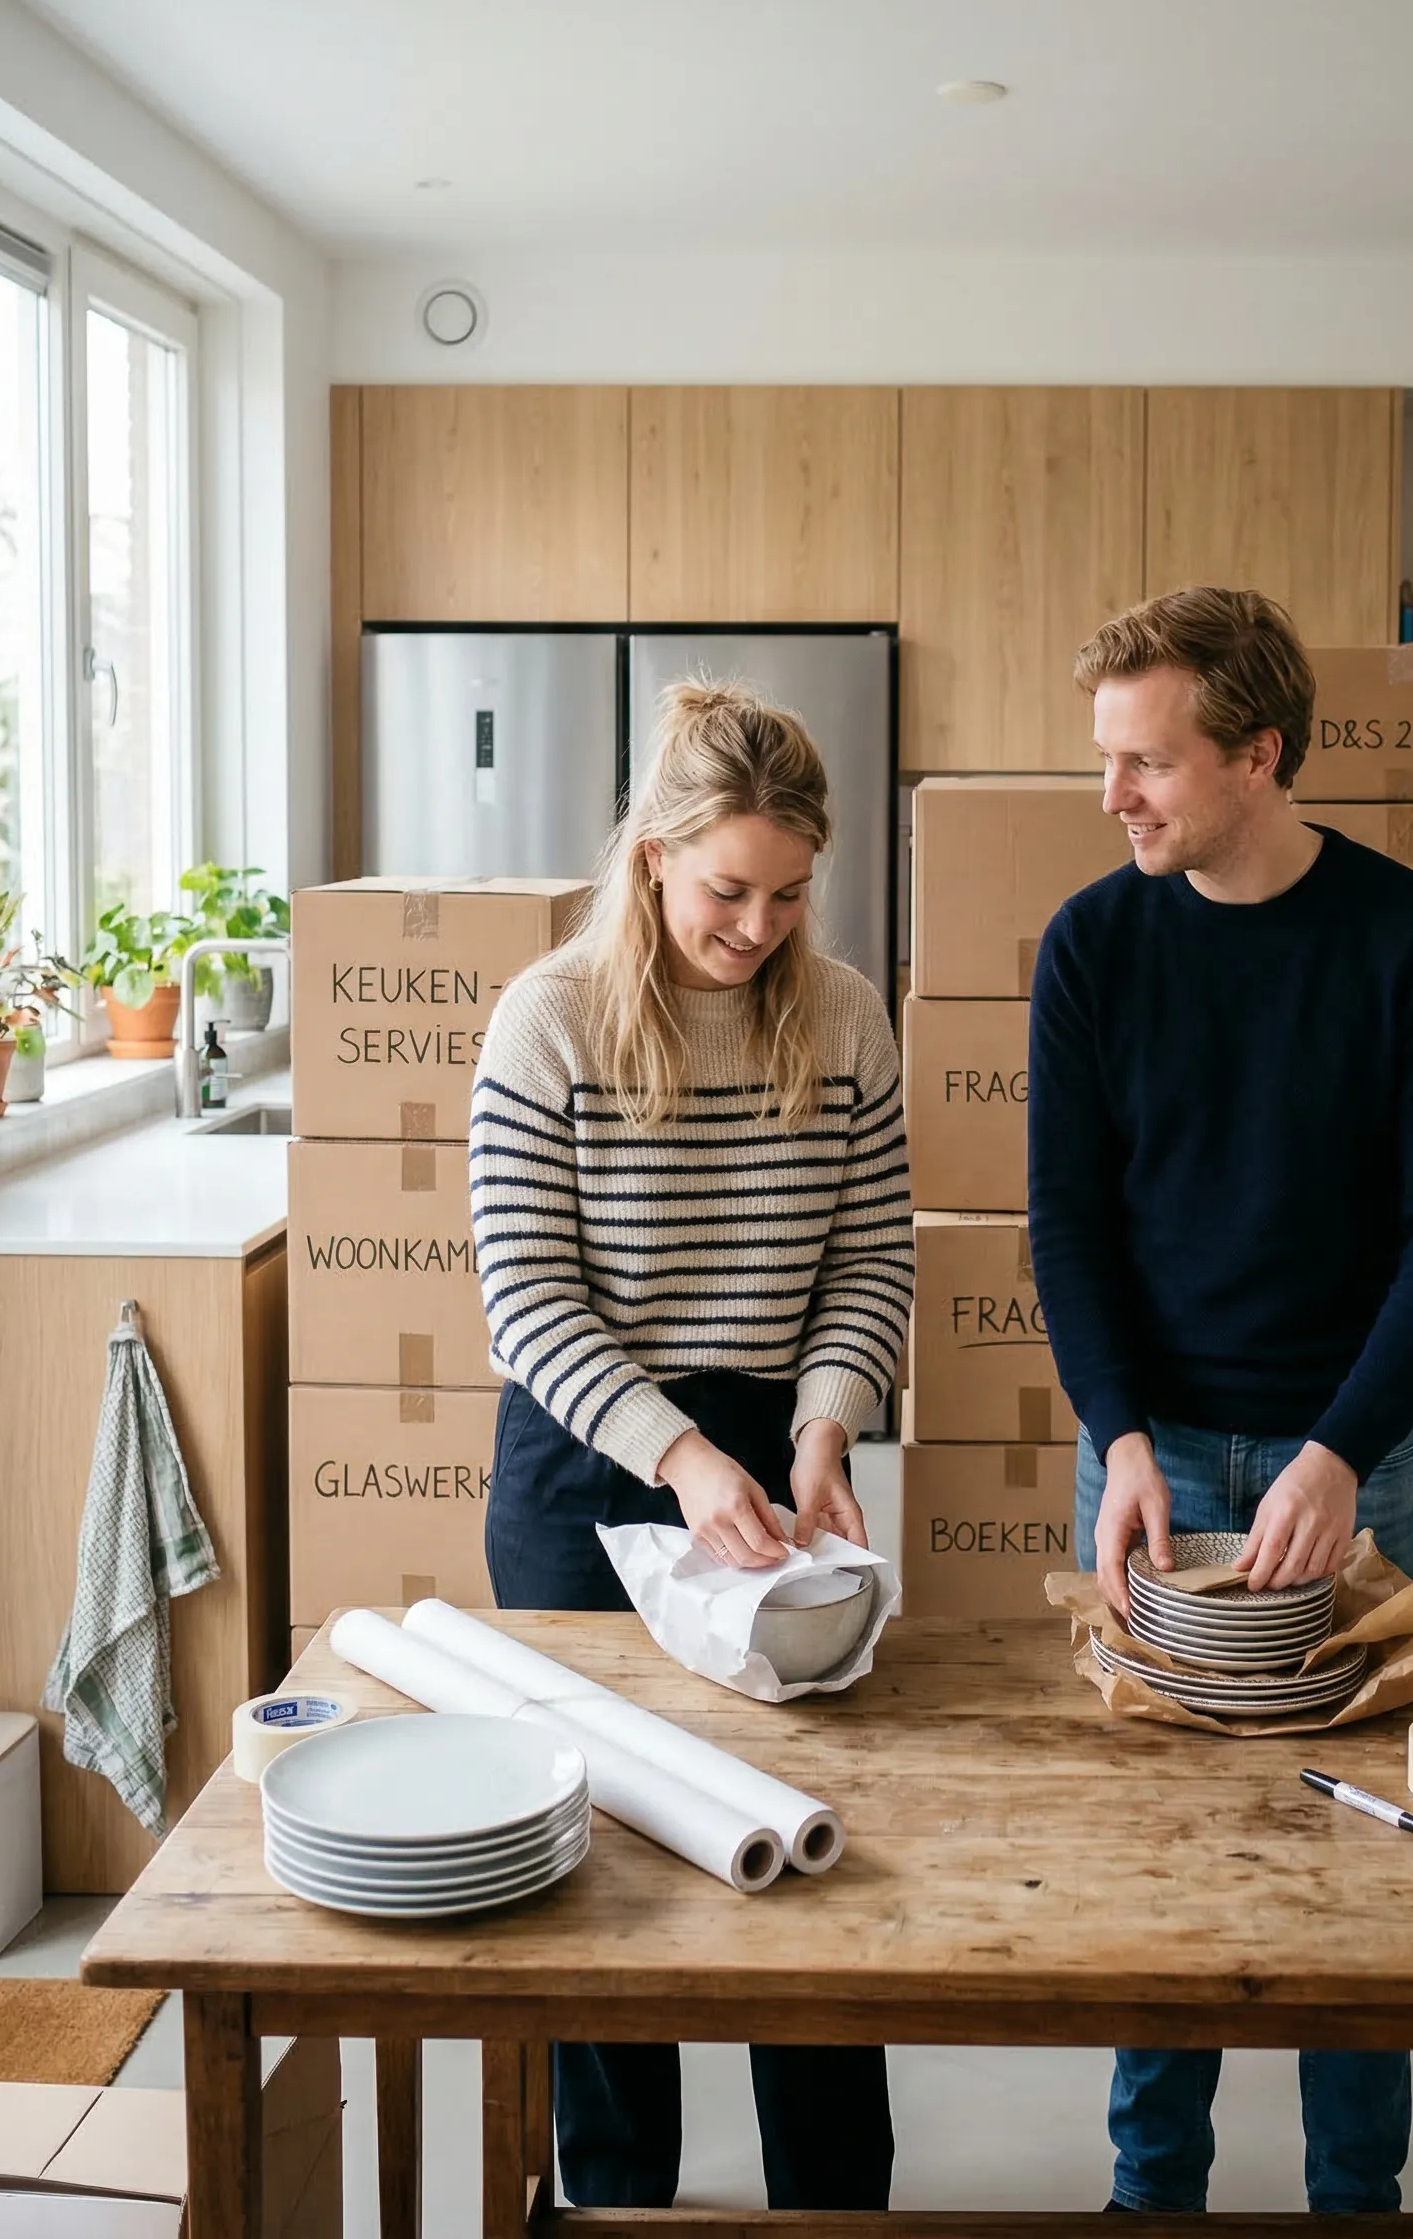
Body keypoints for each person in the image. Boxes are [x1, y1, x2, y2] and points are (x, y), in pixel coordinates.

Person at [1026, 587, 1413, 2216]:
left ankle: (1353, 2205)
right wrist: (1121, 1432)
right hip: (1149, 1464)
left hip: (1342, 1457)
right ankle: (1152, 2198)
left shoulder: (1408, 937)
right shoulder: (1092, 944)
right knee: (1161, 1867)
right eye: (1109, 761)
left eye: (1145, 763)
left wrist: (1341, 1451)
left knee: (1356, 1869)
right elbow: (1070, 1225)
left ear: (1259, 754)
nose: (1114, 796)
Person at [470, 679, 913, 2212]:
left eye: (792, 893)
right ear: (652, 852)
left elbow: (872, 1258)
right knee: (601, 1895)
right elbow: (523, 1299)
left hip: (772, 1480)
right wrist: (681, 1454)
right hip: (590, 1468)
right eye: (730, 890)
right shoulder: (551, 1020)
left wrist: (825, 1421)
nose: (760, 926)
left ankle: (834, 2205)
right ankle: (615, 2205)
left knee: (803, 1868)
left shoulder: (844, 1012)